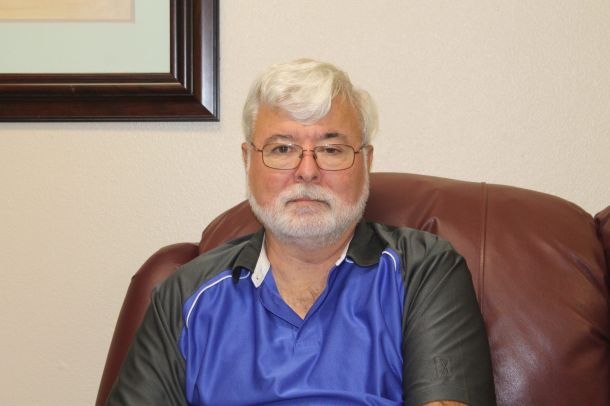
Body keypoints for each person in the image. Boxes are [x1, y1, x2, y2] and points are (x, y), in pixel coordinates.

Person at [107, 59, 496, 405]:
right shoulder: (184, 294)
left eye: (331, 150)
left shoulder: (423, 272)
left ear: (366, 162)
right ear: (248, 161)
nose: (307, 171)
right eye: (282, 149)